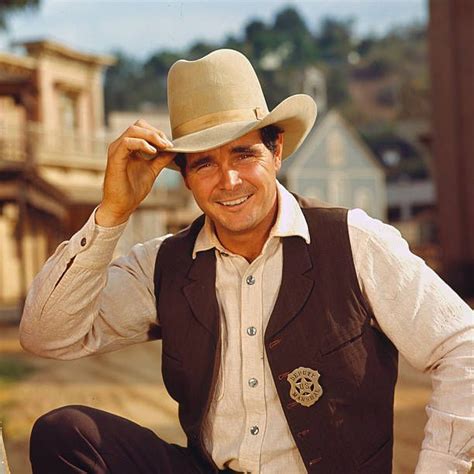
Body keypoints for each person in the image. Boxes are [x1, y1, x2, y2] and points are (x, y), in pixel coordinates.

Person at [20, 49, 472, 473]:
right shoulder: (164, 263)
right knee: (66, 434)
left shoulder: (353, 240)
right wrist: (112, 213)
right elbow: (47, 336)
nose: (229, 180)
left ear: (276, 153)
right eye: (204, 164)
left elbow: (462, 346)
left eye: (244, 153)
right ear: (186, 178)